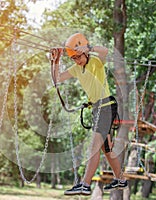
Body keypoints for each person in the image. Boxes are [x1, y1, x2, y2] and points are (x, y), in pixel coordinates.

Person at [51, 33, 128, 196]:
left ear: (85, 51)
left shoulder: (96, 61)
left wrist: (89, 47)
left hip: (105, 107)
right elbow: (57, 79)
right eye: (74, 58)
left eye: (79, 56)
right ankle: (120, 179)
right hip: (98, 109)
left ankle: (85, 184)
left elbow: (105, 51)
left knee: (94, 148)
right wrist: (55, 61)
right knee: (107, 150)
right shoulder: (77, 69)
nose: (77, 60)